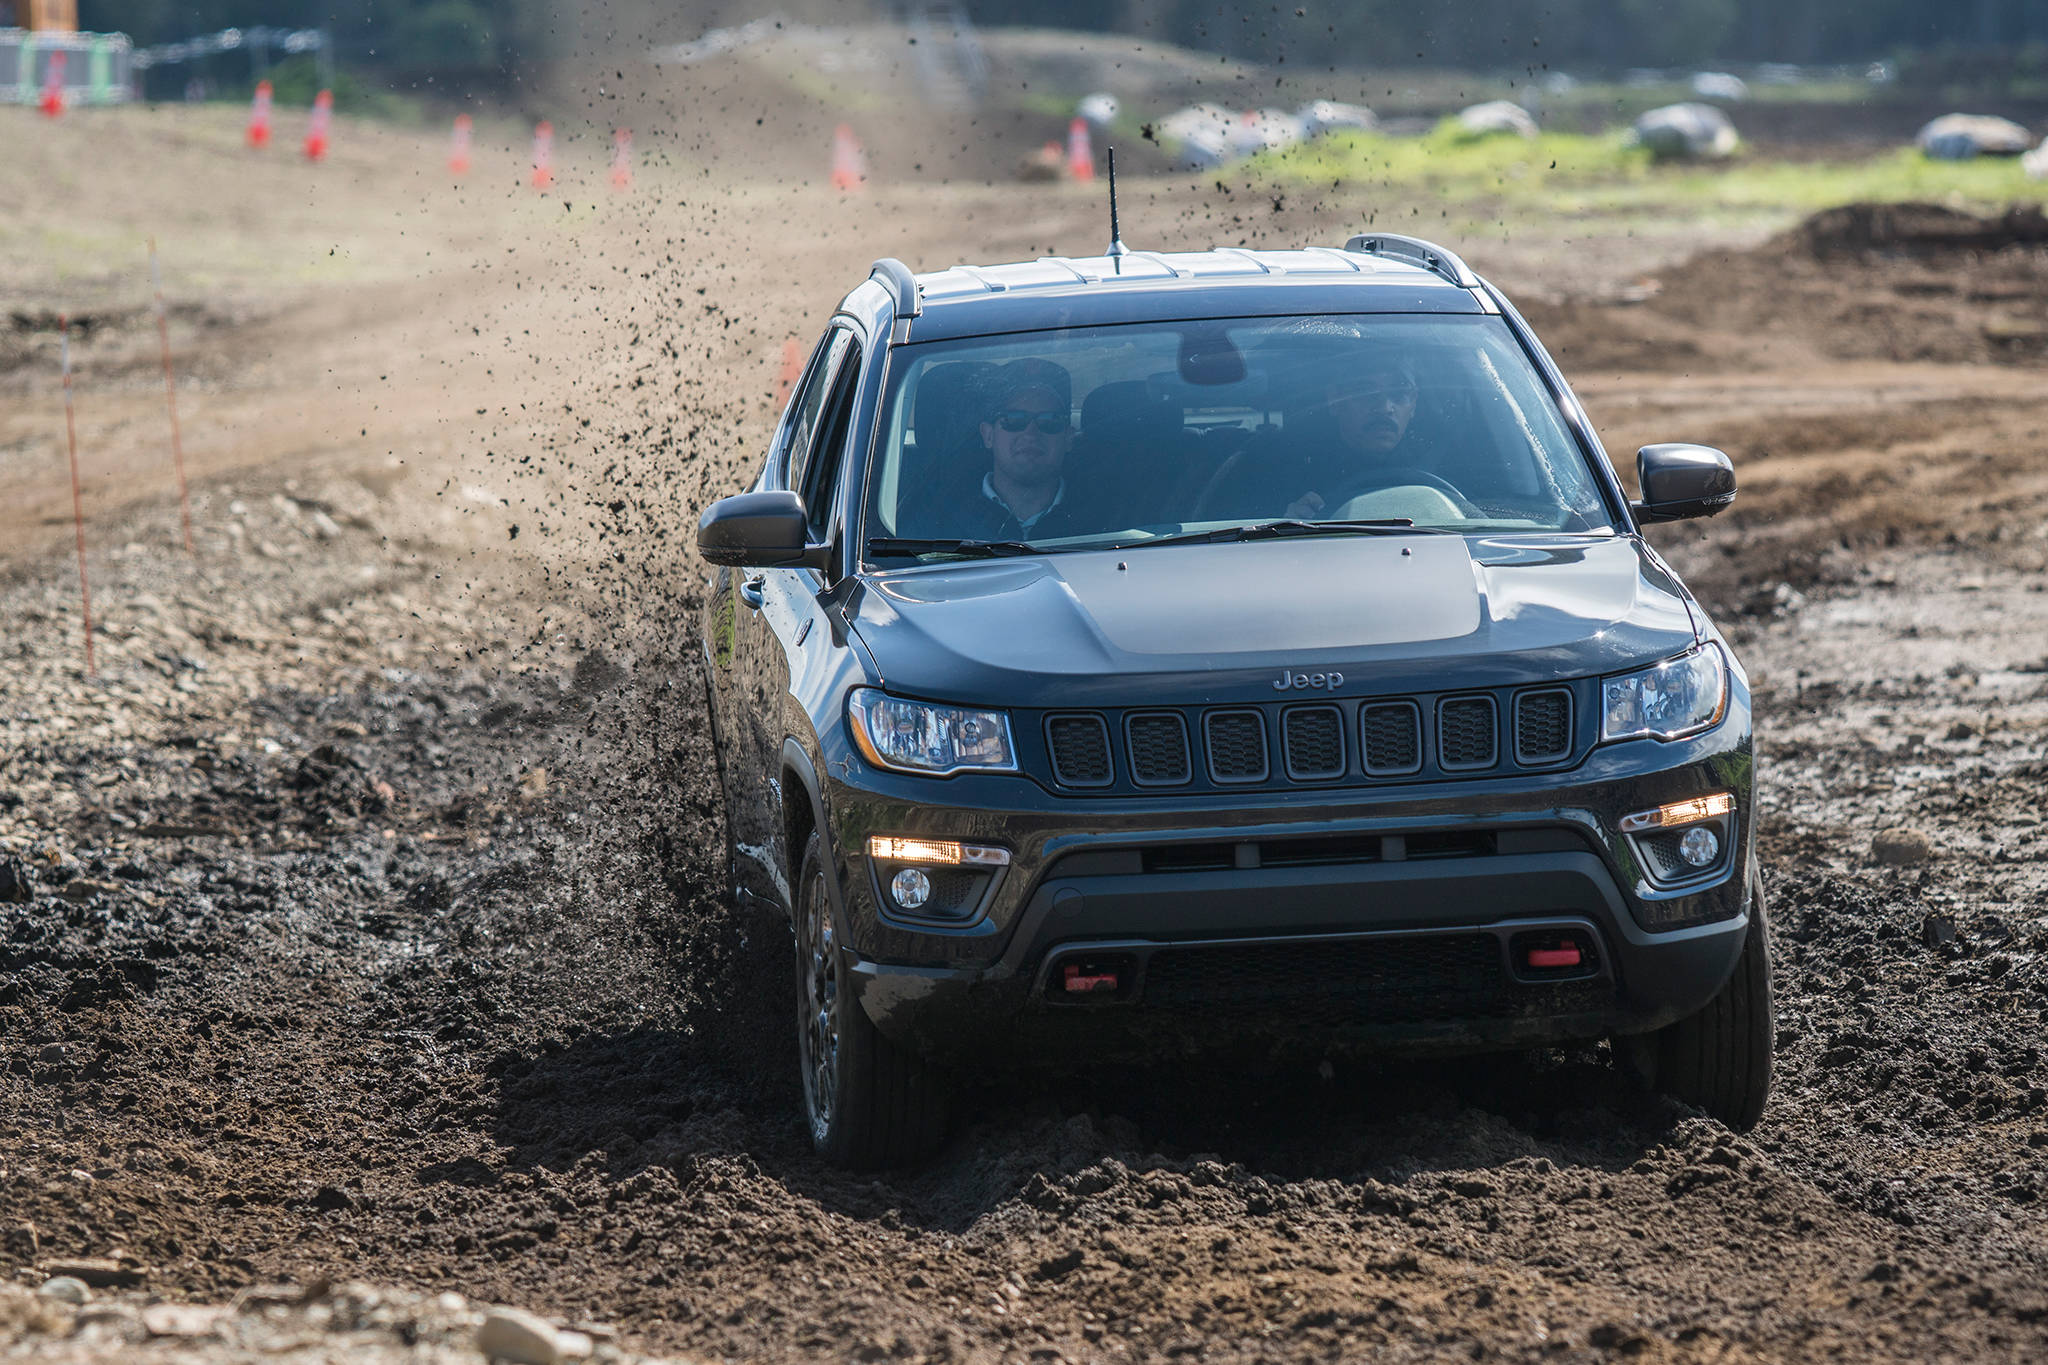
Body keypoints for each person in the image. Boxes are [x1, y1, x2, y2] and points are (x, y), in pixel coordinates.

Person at [948, 358, 1087, 541]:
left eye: (1049, 421)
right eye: (1014, 419)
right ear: (988, 435)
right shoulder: (934, 521)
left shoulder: (1111, 523)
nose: (1031, 433)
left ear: (1069, 438)